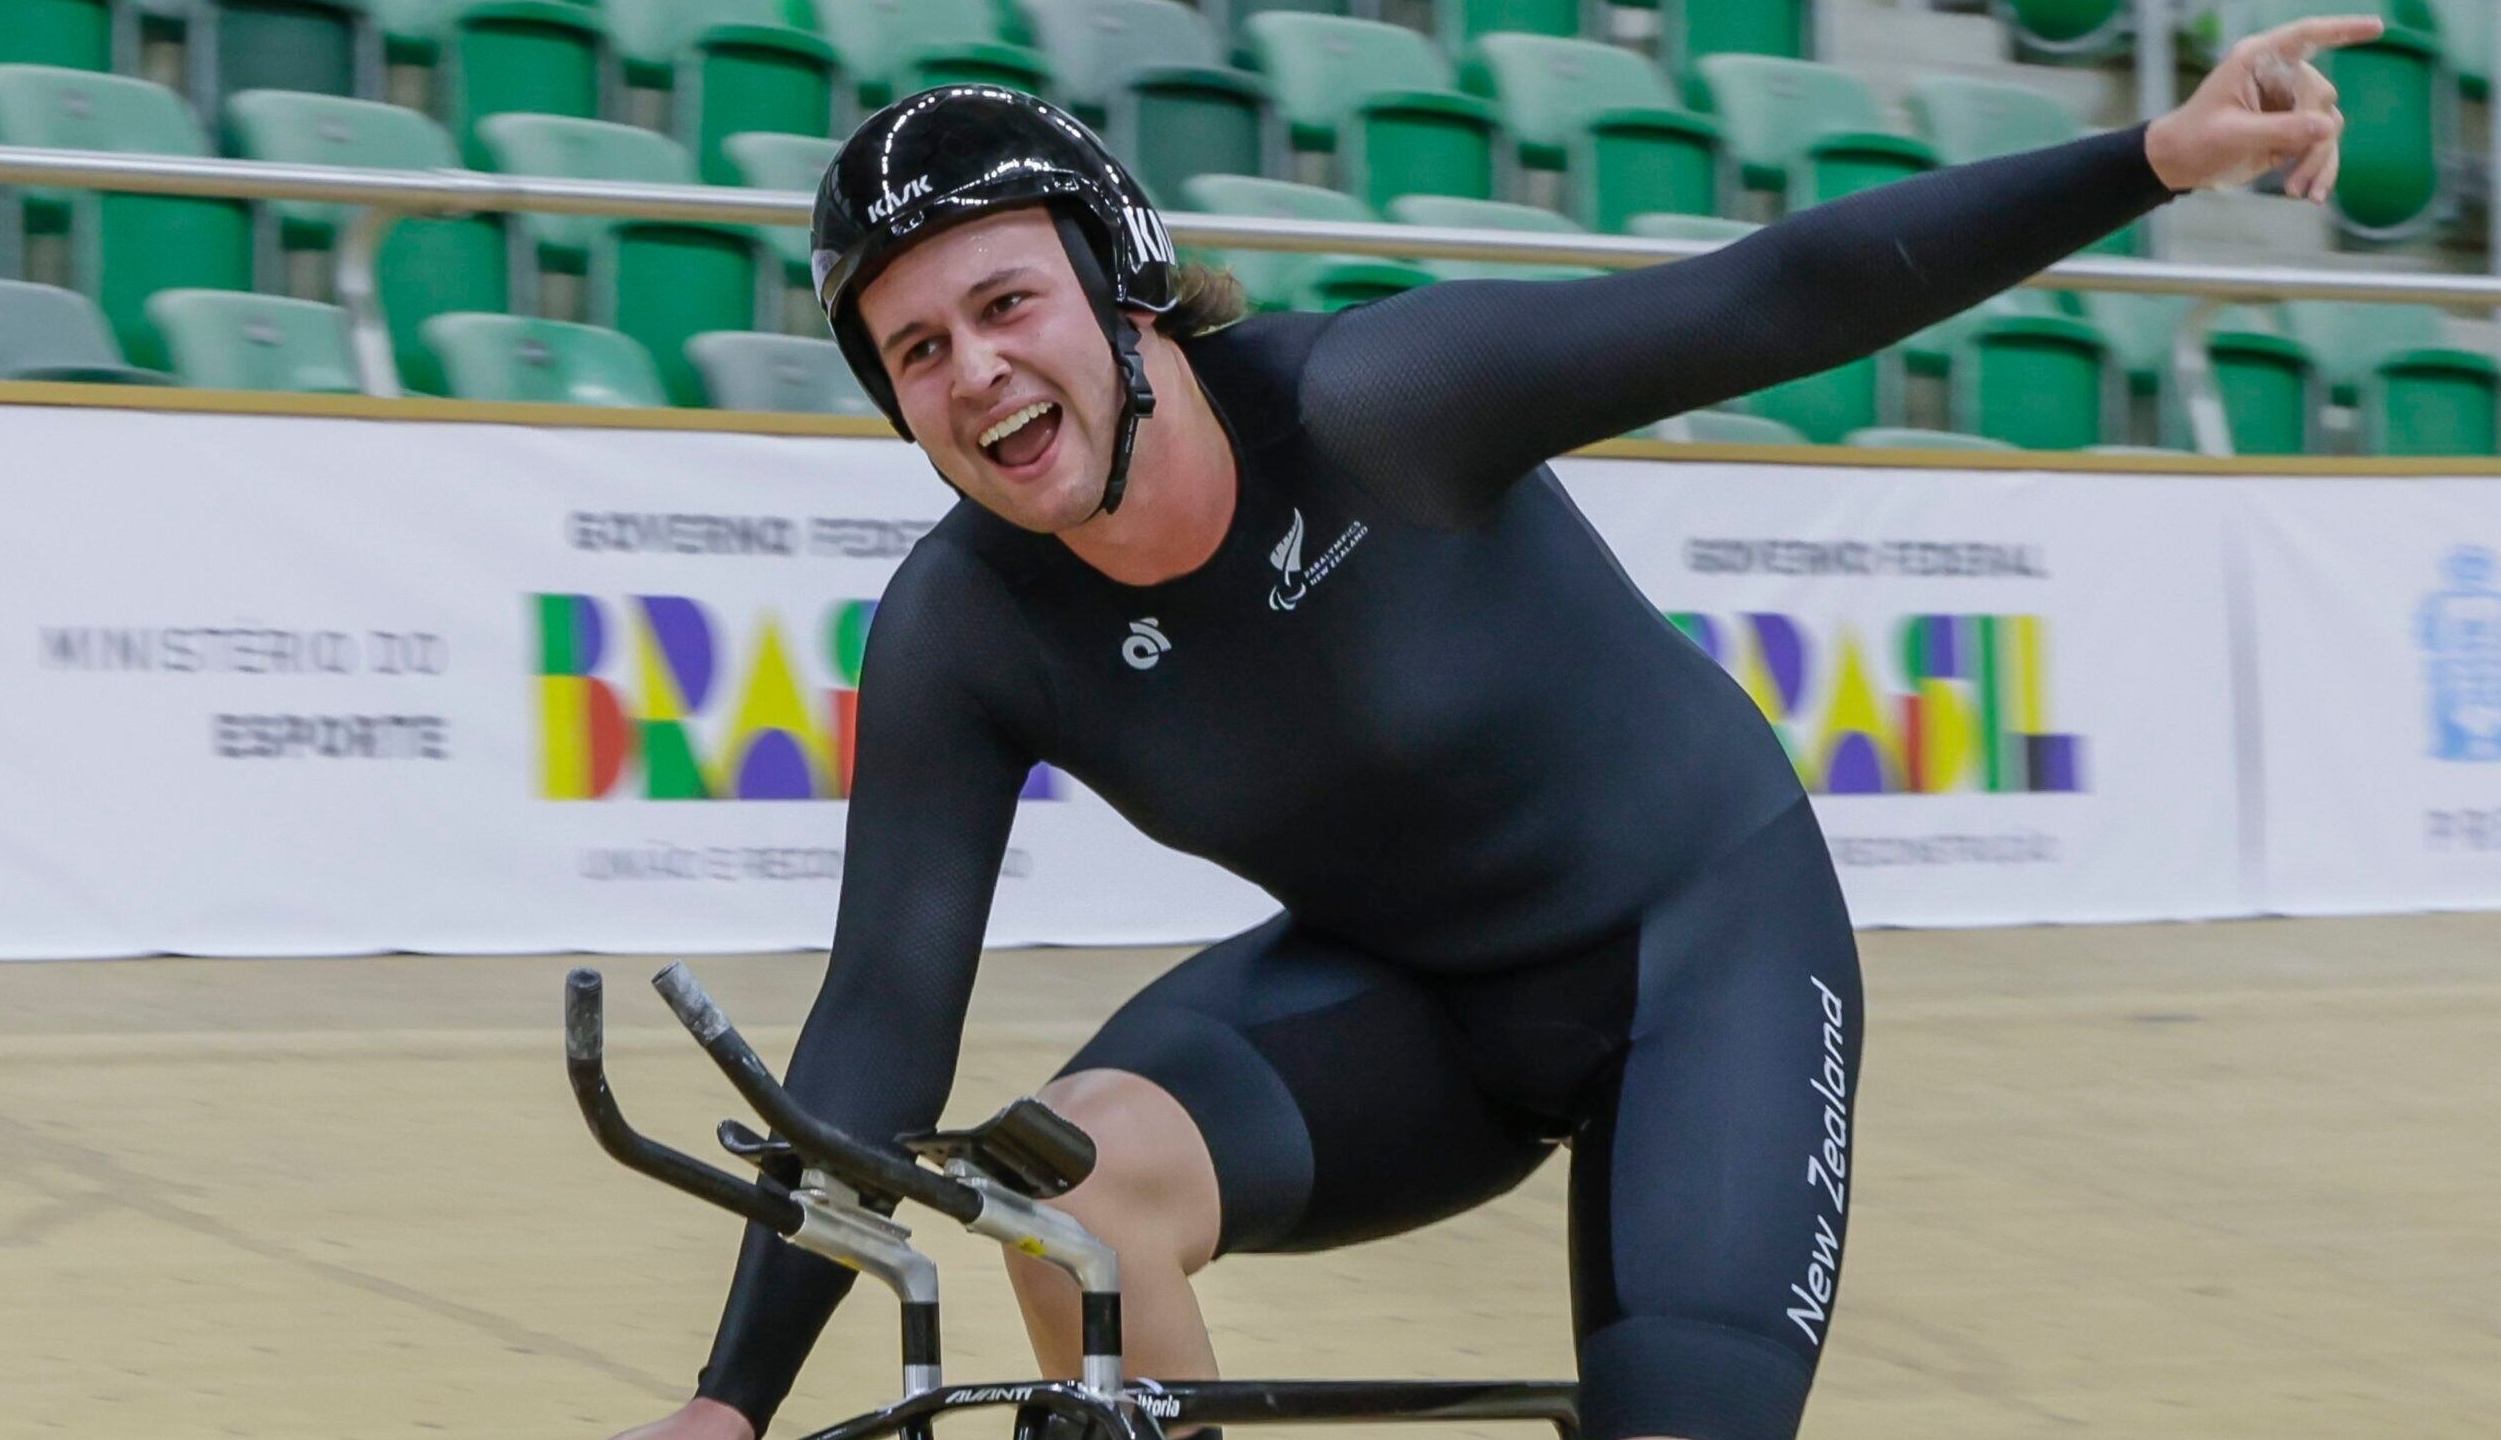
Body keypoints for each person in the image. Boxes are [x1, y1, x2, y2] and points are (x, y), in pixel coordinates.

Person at [615, 17, 2372, 1440]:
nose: (975, 372)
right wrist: (728, 1401)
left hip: (1705, 952)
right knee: (1065, 1190)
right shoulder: (963, 625)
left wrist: (2152, 155)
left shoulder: (1381, 409)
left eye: (1007, 306)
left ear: (1123, 287)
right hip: (1418, 1008)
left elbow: (1781, 298)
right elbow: (880, 1016)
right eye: (915, 353)